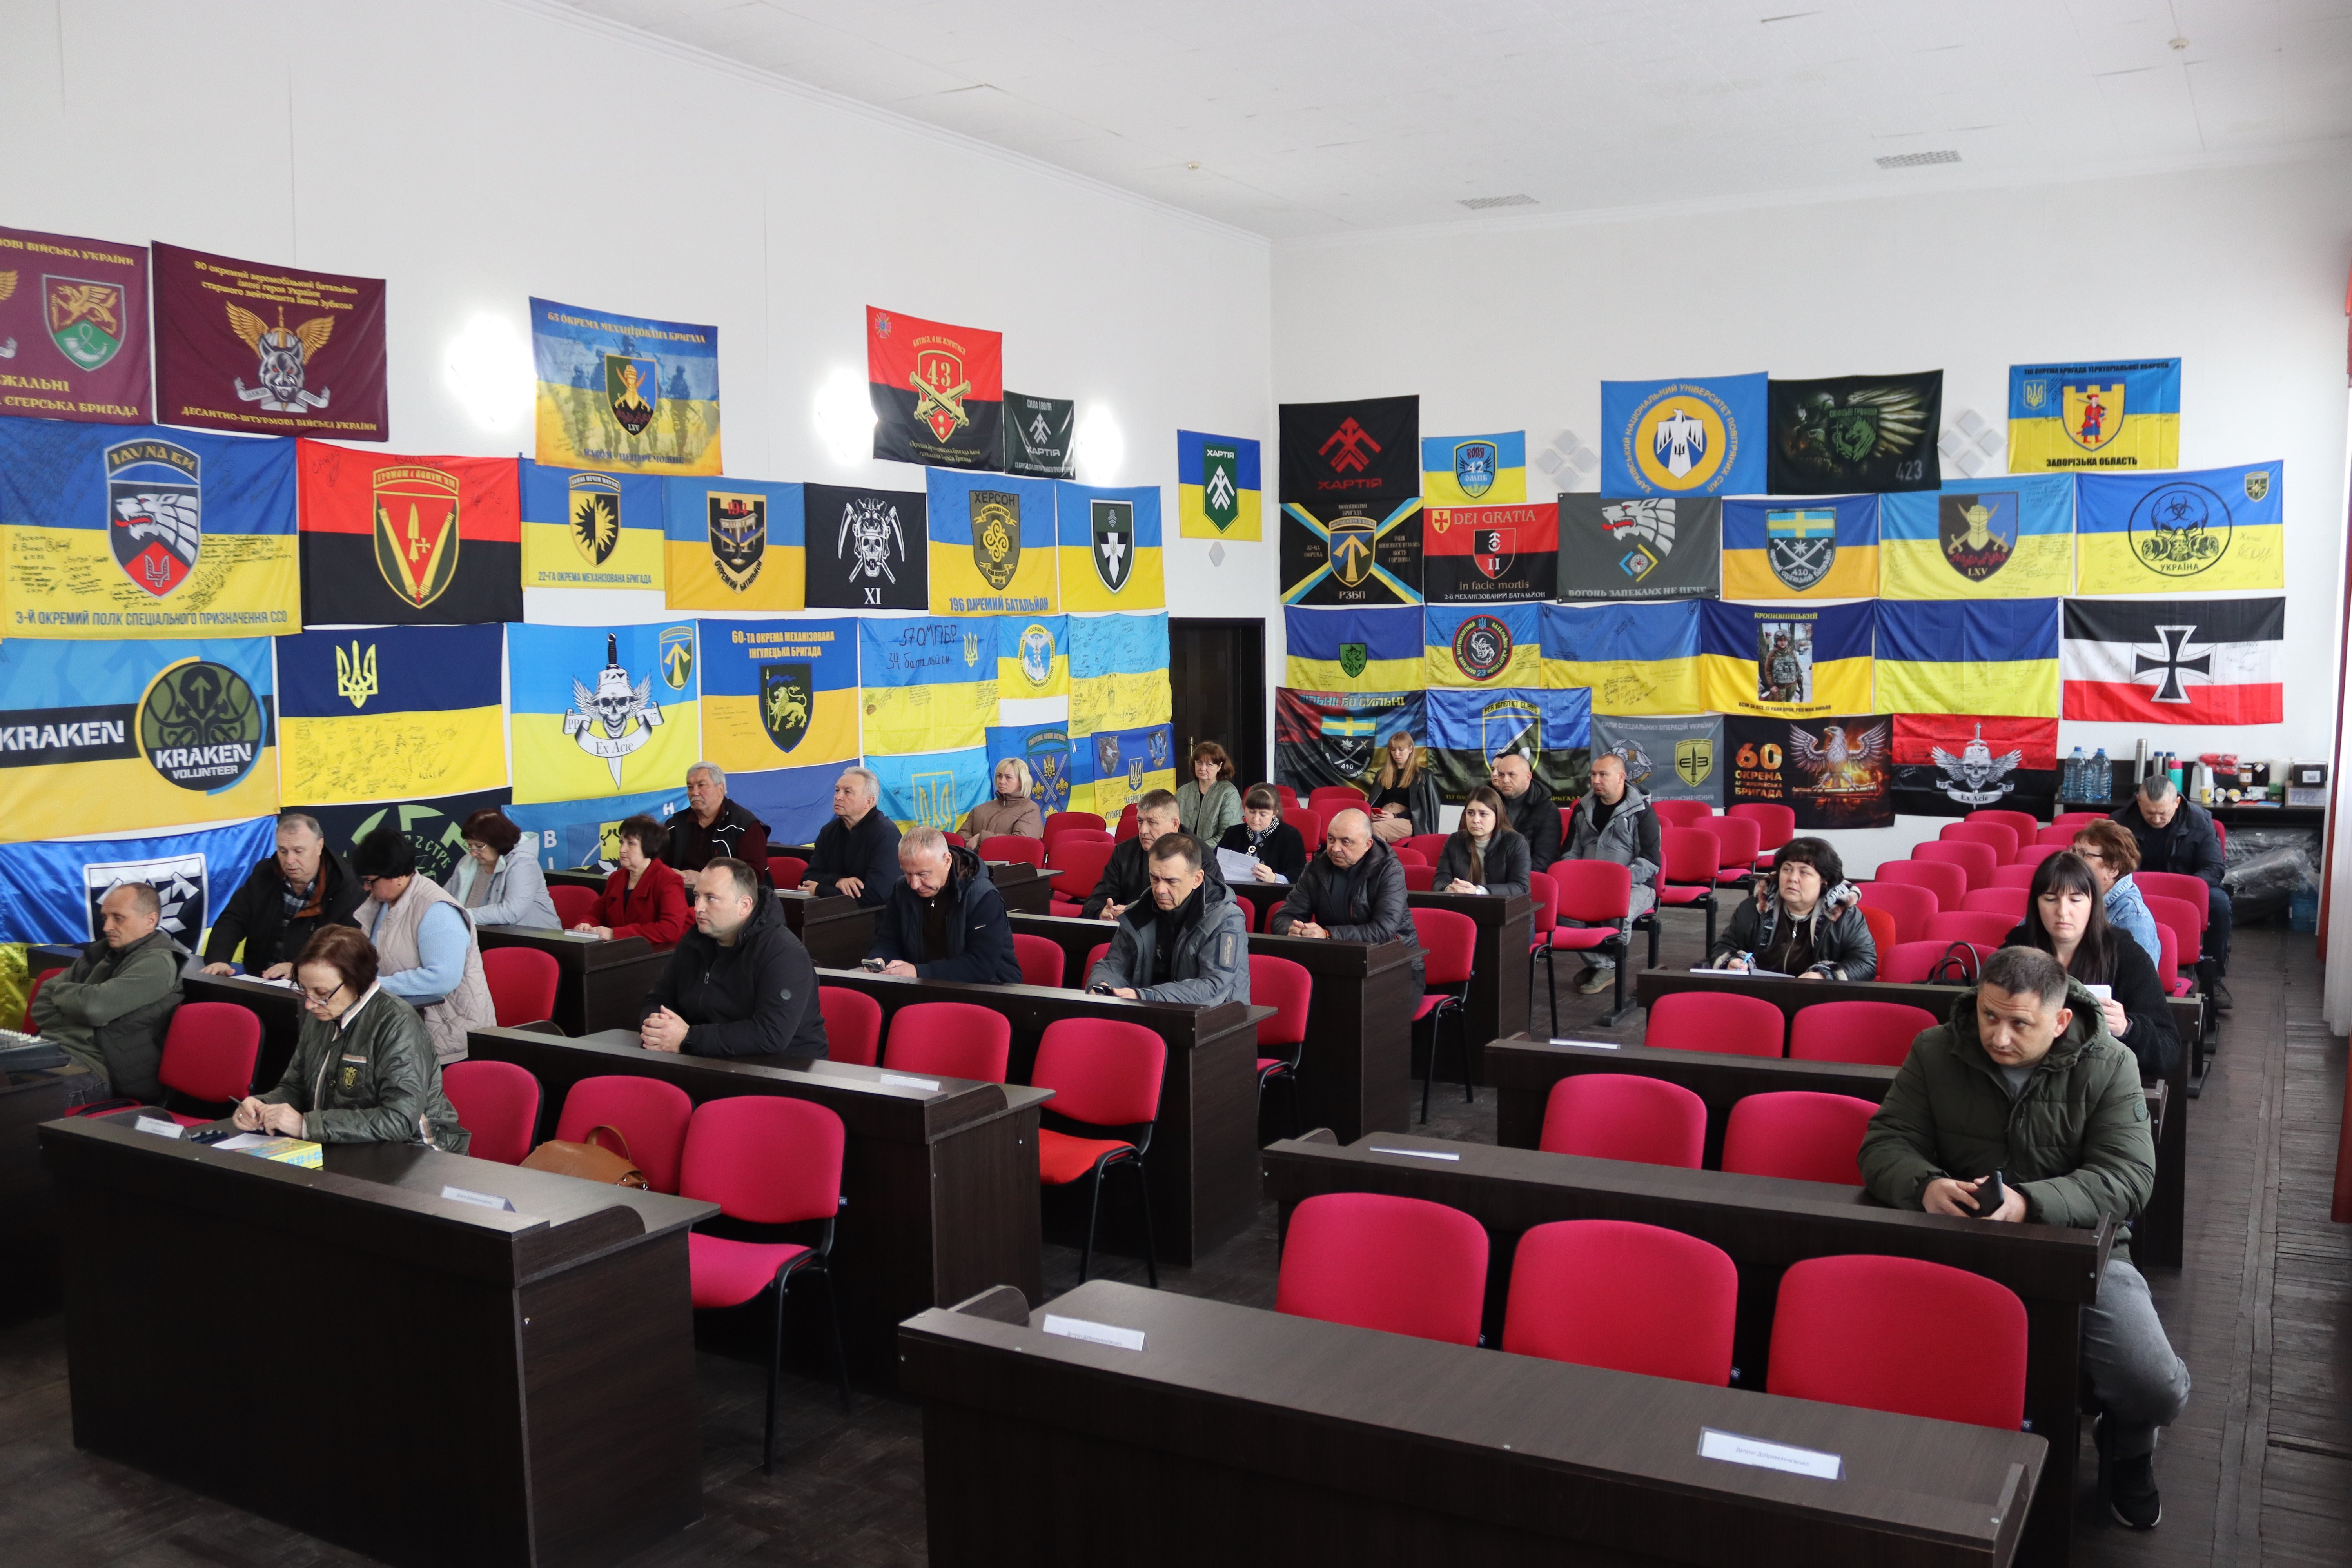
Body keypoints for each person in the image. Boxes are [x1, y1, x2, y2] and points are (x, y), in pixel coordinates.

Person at [1858, 945, 2188, 1531]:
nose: (1999, 1036)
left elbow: (2130, 1178)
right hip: (1957, 1243)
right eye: (1989, 1015)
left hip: (2079, 1250)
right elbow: (1886, 1142)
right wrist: (1925, 1185)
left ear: (2061, 1021)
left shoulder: (2111, 1063)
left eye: (2019, 1024)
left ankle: (2129, 1446)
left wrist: (2031, 1203)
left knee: (2153, 1384)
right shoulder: (1936, 1049)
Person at [231, 925, 469, 1150]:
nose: (310, 1004)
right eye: (304, 990)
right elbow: (296, 1086)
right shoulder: (323, 1013)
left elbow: (400, 1120)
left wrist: (307, 1126)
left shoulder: (398, 1023)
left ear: (357, 981)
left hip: (417, 1151)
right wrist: (264, 1106)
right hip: (347, 1144)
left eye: (322, 993)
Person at [2006, 851, 2179, 1080]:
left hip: (2097, 1082)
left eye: (2075, 900)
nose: (2063, 912)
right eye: (2050, 899)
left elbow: (2169, 1048)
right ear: (2036, 904)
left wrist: (2128, 1028)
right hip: (2026, 1075)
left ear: (2093, 903)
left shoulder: (2125, 955)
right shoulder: (2016, 949)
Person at [639, 857, 828, 1058]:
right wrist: (658, 1028)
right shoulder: (695, 941)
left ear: (744, 905)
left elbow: (770, 1035)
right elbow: (658, 998)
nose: (698, 907)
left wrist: (688, 1038)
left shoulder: (784, 952)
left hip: (785, 1067)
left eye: (711, 898)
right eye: (697, 896)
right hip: (709, 1057)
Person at [349, 826, 496, 1067]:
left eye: (370, 881)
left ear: (397, 875)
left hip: (447, 1037)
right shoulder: (383, 903)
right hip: (402, 1029)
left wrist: (374, 987)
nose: (366, 888)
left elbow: (442, 979)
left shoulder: (437, 911)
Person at [33, 882, 185, 1108]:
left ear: (150, 921)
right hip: (52, 1050)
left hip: (99, 1070)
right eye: (105, 917)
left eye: (118, 918)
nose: (107, 927)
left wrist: (67, 998)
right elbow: (41, 1006)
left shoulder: (158, 963)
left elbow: (94, 1009)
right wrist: (82, 1006)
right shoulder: (101, 952)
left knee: (18, 1101)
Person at [1087, 833, 1251, 1005]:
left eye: (1171, 881)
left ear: (1197, 879)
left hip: (1217, 1017)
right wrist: (1102, 985)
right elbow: (1113, 965)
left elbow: (1213, 987)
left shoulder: (1227, 919)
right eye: (1154, 878)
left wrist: (1146, 996)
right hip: (1148, 1010)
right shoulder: (1138, 911)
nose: (1160, 890)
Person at [2112, 775, 2231, 1008]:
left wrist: (2183, 889)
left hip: (2186, 889)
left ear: (2177, 803)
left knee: (2219, 903)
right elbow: (2113, 866)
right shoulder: (2119, 822)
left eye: (2163, 814)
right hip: (2137, 890)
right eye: (2150, 813)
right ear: (2139, 801)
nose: (2157, 819)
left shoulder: (2200, 821)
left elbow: (2214, 868)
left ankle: (2214, 980)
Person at [1270, 808, 1423, 984]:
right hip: (1336, 964)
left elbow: (1383, 931)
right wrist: (1292, 930)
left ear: (1367, 845)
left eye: (1346, 842)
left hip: (1395, 965)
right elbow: (1284, 917)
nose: (1335, 849)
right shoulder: (1316, 869)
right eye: (1331, 839)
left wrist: (1328, 934)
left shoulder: (1389, 870)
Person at [201, 813, 363, 979]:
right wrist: (218, 960)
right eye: (283, 851)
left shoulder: (346, 887)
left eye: (298, 851)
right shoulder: (265, 874)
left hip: (313, 985)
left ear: (319, 846)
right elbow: (233, 920)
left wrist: (300, 968)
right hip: (258, 979)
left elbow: (346, 951)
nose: (289, 860)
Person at [1555, 752, 1661, 993]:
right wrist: (1575, 880)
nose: (1596, 780)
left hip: (1636, 886)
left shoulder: (1643, 812)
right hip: (1587, 884)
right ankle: (1604, 965)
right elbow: (1570, 852)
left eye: (1603, 775)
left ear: (1621, 777)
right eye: (1593, 774)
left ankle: (1607, 965)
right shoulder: (1582, 809)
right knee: (1562, 910)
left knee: (1618, 911)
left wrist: (1615, 884)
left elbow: (1649, 862)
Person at [1706, 836, 1877, 981]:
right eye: (1787, 869)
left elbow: (1865, 963)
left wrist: (1824, 976)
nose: (1793, 878)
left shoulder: (1844, 915)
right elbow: (1724, 946)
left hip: (1817, 998)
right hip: (1760, 992)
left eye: (1804, 872)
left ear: (1824, 880)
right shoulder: (1756, 907)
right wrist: (1731, 961)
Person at [869, 828, 1021, 983]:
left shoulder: (982, 896)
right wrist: (879, 959)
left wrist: (918, 972)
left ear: (947, 862)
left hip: (992, 988)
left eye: (923, 874)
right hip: (925, 985)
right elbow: (888, 940)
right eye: (907, 873)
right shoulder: (903, 889)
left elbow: (981, 965)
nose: (914, 885)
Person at [1085, 790, 1226, 920]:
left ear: (1174, 824)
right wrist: (1102, 913)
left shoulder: (1202, 858)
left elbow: (1207, 914)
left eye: (1152, 822)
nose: (1143, 830)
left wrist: (1138, 915)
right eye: (1140, 821)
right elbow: (1096, 901)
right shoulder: (1124, 852)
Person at [577, 814, 690, 944]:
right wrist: (586, 924)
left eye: (631, 844)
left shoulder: (668, 880)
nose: (622, 850)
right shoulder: (616, 878)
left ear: (650, 847)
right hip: (619, 951)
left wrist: (615, 934)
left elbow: (670, 930)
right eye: (622, 842)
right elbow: (596, 913)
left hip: (654, 953)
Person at [443, 807, 558, 931]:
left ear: (498, 842)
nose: (473, 853)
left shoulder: (523, 863)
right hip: (476, 932)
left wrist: (462, 916)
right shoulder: (468, 861)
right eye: (470, 845)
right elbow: (444, 898)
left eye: (479, 846)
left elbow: (511, 912)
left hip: (533, 936)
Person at [662, 761, 771, 892]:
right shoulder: (675, 825)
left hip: (733, 898)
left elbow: (752, 877)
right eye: (690, 787)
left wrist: (704, 879)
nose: (694, 792)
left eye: (701, 785)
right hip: (681, 894)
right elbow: (657, 864)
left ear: (720, 789)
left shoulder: (745, 825)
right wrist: (668, 873)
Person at [2072, 819, 2165, 970]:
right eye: (2074, 850)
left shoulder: (2133, 918)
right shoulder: (2071, 895)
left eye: (2083, 854)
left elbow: (2139, 981)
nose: (2073, 859)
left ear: (2113, 869)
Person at [802, 766, 901, 907]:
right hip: (830, 913)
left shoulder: (886, 835)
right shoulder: (829, 831)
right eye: (837, 790)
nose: (838, 797)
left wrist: (821, 890)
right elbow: (808, 879)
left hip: (874, 917)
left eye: (847, 792)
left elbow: (877, 894)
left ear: (869, 802)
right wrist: (838, 881)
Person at [1432, 784, 1530, 898]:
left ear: (1497, 816)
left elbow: (1520, 887)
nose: (1476, 820)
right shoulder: (1454, 841)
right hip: (1463, 905)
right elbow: (1440, 880)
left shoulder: (1516, 843)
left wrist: (1478, 891)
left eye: (1483, 814)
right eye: (1471, 813)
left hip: (1503, 907)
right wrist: (1450, 889)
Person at [1217, 785, 1308, 884]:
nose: (1256, 819)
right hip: (1234, 890)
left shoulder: (1291, 836)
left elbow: (1300, 875)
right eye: (1252, 812)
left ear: (1275, 813)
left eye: (1263, 814)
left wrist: (1275, 878)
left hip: (1274, 892)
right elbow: (1214, 864)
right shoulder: (1233, 833)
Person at [1488, 751, 1561, 872]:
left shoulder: (1547, 810)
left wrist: (1512, 877)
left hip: (1525, 877)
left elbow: (1544, 859)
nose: (1505, 780)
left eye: (1512, 775)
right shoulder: (1489, 803)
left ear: (1528, 777)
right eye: (1501, 775)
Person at [1367, 730, 1442, 845]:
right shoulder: (1382, 774)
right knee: (1356, 827)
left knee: (1375, 829)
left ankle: (1383, 857)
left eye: (1401, 750)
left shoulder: (1423, 775)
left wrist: (1395, 816)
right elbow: (1376, 802)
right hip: (1383, 817)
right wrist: (1374, 814)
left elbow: (1422, 811)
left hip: (1408, 821)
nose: (1397, 754)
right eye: (1393, 750)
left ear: (1411, 750)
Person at [1175, 741, 1244, 844]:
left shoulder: (1229, 794)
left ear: (1220, 767)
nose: (1203, 769)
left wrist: (1195, 849)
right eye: (1199, 763)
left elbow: (1229, 836)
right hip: (1181, 850)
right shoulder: (1183, 792)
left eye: (1209, 765)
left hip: (1213, 852)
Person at [961, 757, 1044, 841]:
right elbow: (962, 834)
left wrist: (980, 839)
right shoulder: (979, 809)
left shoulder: (1030, 809)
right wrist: (969, 844)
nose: (1002, 781)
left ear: (1022, 781)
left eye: (1008, 778)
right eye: (1000, 776)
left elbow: (1021, 842)